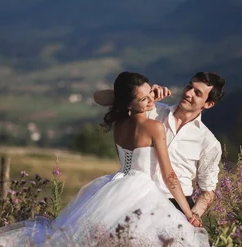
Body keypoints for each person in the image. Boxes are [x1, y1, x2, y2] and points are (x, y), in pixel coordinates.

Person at [0, 72, 216, 247]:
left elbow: (204, 185)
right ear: (132, 101)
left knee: (82, 240)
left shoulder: (121, 123)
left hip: (114, 185)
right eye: (143, 97)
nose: (151, 100)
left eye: (197, 92)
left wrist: (142, 95)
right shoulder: (154, 123)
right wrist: (188, 212)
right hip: (142, 191)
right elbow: (170, 176)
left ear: (207, 103)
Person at [94, 72, 226, 226]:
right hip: (137, 200)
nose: (188, 93)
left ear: (208, 104)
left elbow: (208, 192)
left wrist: (192, 216)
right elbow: (99, 98)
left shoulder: (209, 143)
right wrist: (143, 93)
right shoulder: (152, 110)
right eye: (189, 86)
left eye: (197, 93)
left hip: (177, 206)